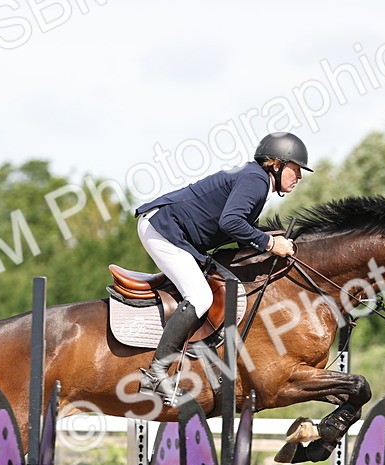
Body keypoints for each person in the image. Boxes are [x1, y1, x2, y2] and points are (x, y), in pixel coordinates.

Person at [133, 131, 311, 404]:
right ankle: (156, 373)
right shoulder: (255, 180)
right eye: (296, 169)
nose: (299, 177)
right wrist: (269, 243)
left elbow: (239, 228)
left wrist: (270, 239)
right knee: (200, 296)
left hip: (174, 231)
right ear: (276, 164)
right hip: (164, 229)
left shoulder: (257, 180)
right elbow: (231, 222)